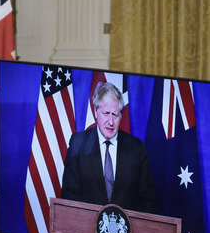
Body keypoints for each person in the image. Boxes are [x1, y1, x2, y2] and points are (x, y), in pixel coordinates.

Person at [61, 81, 157, 213]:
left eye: (115, 115)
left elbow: (147, 201)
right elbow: (69, 196)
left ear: (121, 116)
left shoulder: (137, 148)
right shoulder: (78, 143)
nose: (110, 122)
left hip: (128, 231)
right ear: (96, 111)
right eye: (106, 113)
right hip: (85, 228)